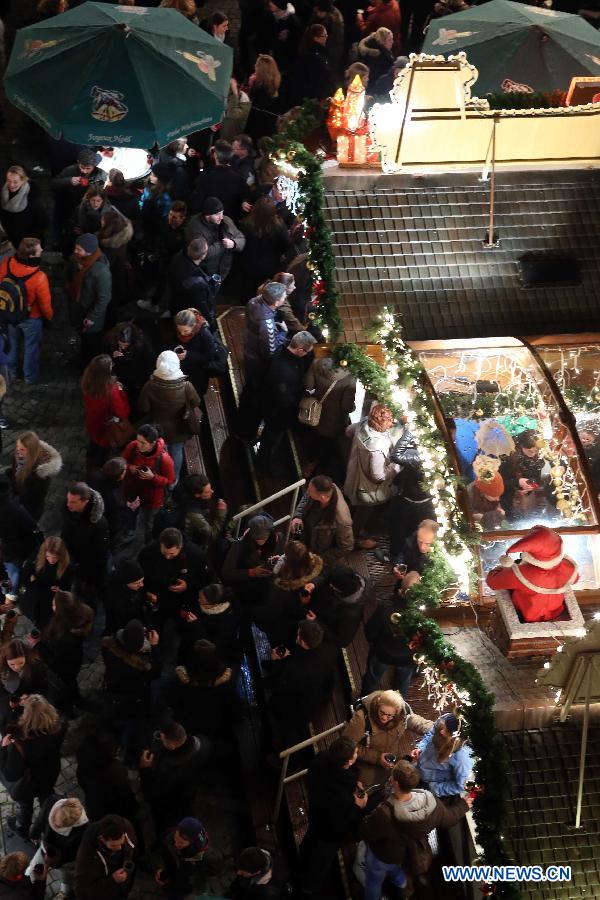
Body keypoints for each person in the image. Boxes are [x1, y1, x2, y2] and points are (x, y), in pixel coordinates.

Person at [360, 760, 471, 899]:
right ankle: (402, 884)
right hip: (401, 855)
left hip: (382, 855)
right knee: (395, 870)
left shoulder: (385, 813)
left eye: (392, 777)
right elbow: (449, 817)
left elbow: (365, 831)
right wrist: (463, 806)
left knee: (373, 881)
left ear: (396, 783)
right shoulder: (431, 803)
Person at [299, 737, 367, 897]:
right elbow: (344, 816)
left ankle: (302, 858)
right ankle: (309, 888)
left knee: (310, 841)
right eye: (355, 753)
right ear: (349, 762)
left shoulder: (321, 759)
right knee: (321, 860)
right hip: (330, 832)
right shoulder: (343, 792)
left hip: (316, 816)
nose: (357, 753)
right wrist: (358, 805)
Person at [0, 694, 66, 835]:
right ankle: (50, 822)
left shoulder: (20, 743)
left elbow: (10, 774)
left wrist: (4, 749)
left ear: (27, 716)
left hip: (30, 781)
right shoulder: (60, 726)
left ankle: (22, 827)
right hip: (50, 772)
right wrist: (34, 705)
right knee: (47, 797)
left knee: (24, 804)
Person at [486, 525, 579, 623]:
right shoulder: (568, 568)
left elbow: (493, 582)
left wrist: (503, 567)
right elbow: (575, 578)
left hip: (526, 617)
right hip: (557, 614)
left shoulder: (522, 574)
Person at [343, 689, 432, 788]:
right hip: (366, 769)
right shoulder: (362, 719)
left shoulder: (403, 714)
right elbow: (347, 746)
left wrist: (437, 729)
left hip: (391, 764)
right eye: (381, 712)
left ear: (397, 712)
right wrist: (377, 758)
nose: (384, 718)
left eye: (389, 715)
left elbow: (418, 723)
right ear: (377, 705)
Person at [268, 618, 337, 745]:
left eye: (299, 633)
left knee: (288, 728)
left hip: (298, 703)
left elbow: (283, 685)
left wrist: (276, 660)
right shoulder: (330, 649)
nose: (297, 633)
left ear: (304, 643)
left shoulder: (297, 669)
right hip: (321, 690)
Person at [257, 330, 317, 472]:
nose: (307, 355)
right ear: (300, 349)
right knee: (271, 439)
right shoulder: (284, 371)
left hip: (274, 405)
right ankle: (263, 466)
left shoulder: (282, 348)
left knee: (272, 436)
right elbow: (285, 399)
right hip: (278, 412)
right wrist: (305, 394)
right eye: (307, 352)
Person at [138, 351, 201, 483]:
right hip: (179, 428)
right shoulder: (186, 386)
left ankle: (158, 476)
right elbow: (196, 402)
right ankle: (173, 480)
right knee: (177, 452)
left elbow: (144, 408)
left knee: (160, 453)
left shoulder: (149, 386)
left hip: (158, 428)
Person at [237, 281, 288, 440]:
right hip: (258, 361)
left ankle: (240, 419)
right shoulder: (266, 323)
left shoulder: (254, 301)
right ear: (276, 302)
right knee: (256, 396)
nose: (285, 298)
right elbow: (269, 351)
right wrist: (283, 334)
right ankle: (248, 431)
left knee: (249, 389)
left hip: (249, 351)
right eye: (283, 297)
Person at [139, 721, 211, 831]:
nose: (161, 742)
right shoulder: (203, 741)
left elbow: (153, 794)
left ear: (172, 746)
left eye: (163, 740)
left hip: (173, 804)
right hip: (191, 789)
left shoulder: (169, 769)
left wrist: (145, 769)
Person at [0, 237, 53, 385]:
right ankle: (29, 378)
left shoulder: (7, 264)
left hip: (9, 314)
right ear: (31, 255)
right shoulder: (39, 277)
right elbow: (45, 304)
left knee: (12, 344)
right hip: (31, 318)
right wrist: (49, 318)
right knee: (31, 349)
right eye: (39, 249)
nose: (42, 250)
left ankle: (12, 373)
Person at [254, 539, 325, 648]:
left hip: (286, 623)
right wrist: (314, 584)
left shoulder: (283, 586)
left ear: (289, 563)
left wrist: (303, 603)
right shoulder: (315, 565)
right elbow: (324, 574)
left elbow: (278, 610)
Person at [344, 404, 400, 540]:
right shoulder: (377, 447)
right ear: (381, 423)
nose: (392, 422)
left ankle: (347, 526)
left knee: (351, 504)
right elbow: (378, 476)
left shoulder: (364, 423)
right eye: (389, 420)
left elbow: (348, 431)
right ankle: (352, 537)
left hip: (353, 475)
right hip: (367, 490)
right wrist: (397, 466)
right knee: (362, 512)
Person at [137, 527, 210, 633]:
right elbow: (141, 577)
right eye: (164, 552)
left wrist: (188, 585)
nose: (167, 557)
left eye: (171, 554)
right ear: (160, 543)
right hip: (158, 601)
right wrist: (146, 592)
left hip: (184, 601)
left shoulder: (195, 555)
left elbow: (204, 579)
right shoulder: (148, 553)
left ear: (180, 547)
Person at [362, 572, 420, 697]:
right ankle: (399, 709)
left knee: (373, 679)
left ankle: (367, 703)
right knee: (403, 683)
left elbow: (370, 632)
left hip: (383, 653)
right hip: (408, 658)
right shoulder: (424, 614)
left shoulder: (386, 608)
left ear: (401, 590)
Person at [36, 589, 94, 714]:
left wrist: (38, 647)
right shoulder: (79, 618)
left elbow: (56, 662)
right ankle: (79, 702)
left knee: (65, 689)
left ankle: (69, 711)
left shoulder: (64, 636)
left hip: (65, 670)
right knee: (72, 685)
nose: (52, 607)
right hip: (74, 663)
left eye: (54, 605)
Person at [303, 357, 356, 481]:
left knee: (314, 440)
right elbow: (346, 406)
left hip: (315, 413)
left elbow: (308, 385)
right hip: (334, 420)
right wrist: (353, 407)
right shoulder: (350, 377)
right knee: (326, 444)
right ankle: (323, 468)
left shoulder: (317, 363)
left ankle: (309, 464)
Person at [122, 426, 176, 540]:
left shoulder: (164, 459)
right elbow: (122, 461)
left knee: (149, 523)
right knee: (130, 513)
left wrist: (153, 477)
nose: (139, 445)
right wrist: (129, 467)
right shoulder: (133, 446)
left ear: (152, 443)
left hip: (152, 498)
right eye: (138, 441)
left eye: (143, 443)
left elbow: (170, 480)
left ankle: (148, 541)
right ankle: (129, 530)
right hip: (133, 490)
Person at [65, 233, 112, 363]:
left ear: (89, 251)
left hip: (91, 315)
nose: (75, 251)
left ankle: (88, 364)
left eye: (79, 249)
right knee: (83, 337)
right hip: (80, 307)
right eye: (76, 247)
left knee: (92, 343)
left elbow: (104, 298)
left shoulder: (101, 271)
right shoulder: (79, 260)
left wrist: (92, 318)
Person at [76, 732, 140, 824]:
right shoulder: (115, 771)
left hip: (96, 810)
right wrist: (134, 809)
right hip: (117, 812)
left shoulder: (82, 767)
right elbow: (125, 794)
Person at [222, 513, 284, 606]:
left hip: (267, 589)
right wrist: (251, 572)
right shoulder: (239, 545)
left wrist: (278, 563)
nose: (260, 541)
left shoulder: (277, 541)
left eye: (263, 537)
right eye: (257, 538)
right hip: (245, 590)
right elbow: (226, 572)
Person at [60, 482, 110, 596]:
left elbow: (100, 554)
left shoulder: (99, 524)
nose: (68, 504)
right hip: (71, 559)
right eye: (68, 499)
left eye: (73, 502)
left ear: (85, 502)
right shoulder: (69, 510)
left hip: (86, 567)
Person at [81, 354, 131, 468]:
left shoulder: (87, 380)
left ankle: (90, 460)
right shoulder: (112, 391)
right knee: (102, 452)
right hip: (105, 427)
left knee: (93, 443)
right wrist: (120, 390)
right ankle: (97, 470)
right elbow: (122, 412)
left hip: (92, 421)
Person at [73, 814, 137, 900]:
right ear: (102, 839)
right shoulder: (86, 854)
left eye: (122, 843)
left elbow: (133, 846)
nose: (119, 848)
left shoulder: (125, 826)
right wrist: (112, 881)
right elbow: (82, 893)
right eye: (113, 845)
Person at [291, 475, 356, 556]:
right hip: (306, 530)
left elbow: (346, 548)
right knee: (296, 543)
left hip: (317, 549)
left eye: (310, 491)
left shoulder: (342, 520)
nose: (308, 491)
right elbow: (305, 498)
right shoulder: (322, 488)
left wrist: (318, 559)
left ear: (322, 497)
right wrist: (297, 517)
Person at [239, 198, 291, 298]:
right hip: (270, 266)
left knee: (248, 291)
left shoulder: (246, 224)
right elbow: (286, 245)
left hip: (249, 264)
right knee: (266, 293)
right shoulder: (279, 226)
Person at [185, 197, 246, 283]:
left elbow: (241, 238)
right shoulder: (195, 228)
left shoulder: (225, 220)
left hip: (223, 270)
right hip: (205, 274)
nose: (221, 217)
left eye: (222, 212)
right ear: (207, 215)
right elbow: (202, 253)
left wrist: (234, 243)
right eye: (217, 214)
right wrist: (222, 245)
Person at [52, 148, 107, 241]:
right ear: (78, 162)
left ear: (94, 166)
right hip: (68, 204)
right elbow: (53, 184)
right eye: (82, 167)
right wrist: (68, 181)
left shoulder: (101, 175)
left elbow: (102, 196)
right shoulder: (70, 170)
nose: (84, 171)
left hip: (86, 210)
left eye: (88, 168)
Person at [414, 713, 473, 798]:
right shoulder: (446, 719)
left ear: (455, 738)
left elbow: (460, 785)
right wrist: (420, 747)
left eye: (447, 730)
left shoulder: (463, 758)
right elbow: (432, 732)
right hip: (418, 768)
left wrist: (435, 788)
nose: (441, 731)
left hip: (430, 785)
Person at [179, 582, 240, 665]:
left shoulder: (227, 622)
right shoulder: (206, 603)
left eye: (201, 600)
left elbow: (213, 647)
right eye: (199, 597)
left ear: (214, 604)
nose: (198, 600)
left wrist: (195, 625)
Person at [6, 430, 62, 520]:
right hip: (16, 499)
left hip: (27, 511)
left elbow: (31, 501)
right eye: (17, 447)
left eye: (22, 449)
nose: (18, 451)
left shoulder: (41, 475)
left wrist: (10, 500)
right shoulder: (19, 456)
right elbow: (13, 473)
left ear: (31, 451)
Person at [0, 474, 42, 592]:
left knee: (12, 577)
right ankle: (11, 595)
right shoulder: (17, 509)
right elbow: (33, 528)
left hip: (11, 553)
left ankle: (10, 595)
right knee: (14, 576)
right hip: (16, 552)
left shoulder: (16, 509)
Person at [103, 321, 154, 417]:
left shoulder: (142, 344)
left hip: (136, 375)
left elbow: (148, 363)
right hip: (120, 375)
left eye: (125, 345)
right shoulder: (110, 340)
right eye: (120, 344)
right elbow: (103, 356)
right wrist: (111, 355)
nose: (122, 347)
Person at [189, 139, 248, 221]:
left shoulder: (205, 177)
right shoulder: (240, 177)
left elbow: (196, 204)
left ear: (215, 156)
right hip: (230, 223)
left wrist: (201, 170)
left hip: (210, 222)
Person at [308, 565, 367, 648]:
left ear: (340, 590)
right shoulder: (342, 573)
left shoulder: (351, 614)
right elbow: (326, 576)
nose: (330, 586)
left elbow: (342, 641)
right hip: (315, 607)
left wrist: (317, 623)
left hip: (320, 627)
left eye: (332, 586)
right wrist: (314, 583)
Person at [21, 537, 73, 628]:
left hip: (51, 594)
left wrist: (61, 588)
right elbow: (25, 574)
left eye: (55, 557)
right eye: (48, 556)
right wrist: (33, 583)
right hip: (36, 591)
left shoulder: (67, 565)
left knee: (46, 620)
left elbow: (68, 583)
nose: (51, 560)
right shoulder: (37, 556)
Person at [29, 795, 89, 874]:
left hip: (62, 858)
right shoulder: (50, 801)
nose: (53, 824)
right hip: (46, 846)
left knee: (65, 872)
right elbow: (40, 819)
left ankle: (65, 883)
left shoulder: (83, 830)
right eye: (53, 818)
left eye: (58, 826)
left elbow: (74, 852)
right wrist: (34, 834)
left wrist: (57, 861)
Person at [0, 641, 50, 734]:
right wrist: (9, 700)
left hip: (30, 704)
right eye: (12, 664)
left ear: (25, 657)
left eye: (20, 663)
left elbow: (43, 687)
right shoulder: (1, 669)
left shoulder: (35, 666)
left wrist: (29, 698)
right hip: (8, 704)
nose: (17, 667)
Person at [154, 817, 211, 899]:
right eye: (176, 838)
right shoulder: (167, 836)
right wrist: (159, 868)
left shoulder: (200, 855)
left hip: (185, 885)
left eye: (181, 843)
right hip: (170, 875)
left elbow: (202, 876)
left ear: (191, 842)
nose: (176, 844)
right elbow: (158, 854)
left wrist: (194, 893)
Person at [169, 238, 220, 324]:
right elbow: (202, 307)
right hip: (187, 315)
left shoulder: (177, 257)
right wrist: (211, 323)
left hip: (175, 301)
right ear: (203, 256)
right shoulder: (196, 283)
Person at [178, 474, 228, 558]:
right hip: (191, 549)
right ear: (197, 495)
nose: (212, 491)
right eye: (207, 492)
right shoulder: (194, 515)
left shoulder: (186, 496)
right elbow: (211, 535)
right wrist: (221, 514)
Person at [172, 308, 220, 395]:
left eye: (185, 331)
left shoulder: (205, 334)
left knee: (196, 392)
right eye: (180, 331)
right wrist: (176, 347)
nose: (182, 334)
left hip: (198, 372)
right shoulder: (181, 325)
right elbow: (174, 340)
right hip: (184, 368)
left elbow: (209, 356)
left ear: (194, 325)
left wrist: (188, 355)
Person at [0, 166, 46, 248]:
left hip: (27, 243)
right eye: (9, 181)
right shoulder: (4, 192)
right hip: (9, 239)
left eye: (15, 182)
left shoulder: (33, 197)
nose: (11, 185)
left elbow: (41, 222)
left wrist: (27, 243)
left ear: (23, 181)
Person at [97, 208, 134, 307]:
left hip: (111, 286)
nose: (101, 222)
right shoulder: (121, 233)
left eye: (103, 220)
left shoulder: (109, 246)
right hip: (118, 278)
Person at [289, 24, 334, 105]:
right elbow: (314, 80)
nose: (327, 37)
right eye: (324, 35)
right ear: (316, 38)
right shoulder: (311, 56)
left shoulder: (321, 51)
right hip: (313, 98)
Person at [244, 55, 286, 142]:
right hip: (269, 124)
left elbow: (252, 106)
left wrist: (251, 86)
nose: (254, 66)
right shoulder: (276, 82)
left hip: (258, 125)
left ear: (261, 70)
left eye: (257, 64)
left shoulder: (260, 88)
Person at [104, 559, 146, 635]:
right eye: (137, 583)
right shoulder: (113, 599)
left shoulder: (135, 587)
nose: (142, 585)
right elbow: (116, 624)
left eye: (142, 580)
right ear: (124, 583)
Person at [259, 1, 302, 73]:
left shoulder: (293, 21)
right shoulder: (268, 16)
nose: (269, 3)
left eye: (272, 2)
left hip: (287, 64)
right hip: (271, 60)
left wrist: (289, 35)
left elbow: (298, 42)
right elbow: (264, 37)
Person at [310, 0, 345, 71]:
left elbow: (337, 44)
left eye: (320, 12)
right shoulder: (316, 14)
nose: (318, 13)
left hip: (328, 52)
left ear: (326, 12)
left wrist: (332, 64)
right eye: (317, 11)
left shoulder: (335, 23)